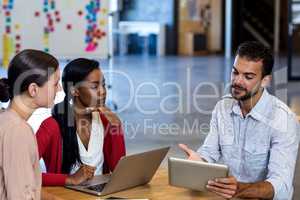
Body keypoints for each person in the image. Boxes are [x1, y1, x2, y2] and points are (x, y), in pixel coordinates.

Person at [179, 41, 299, 199]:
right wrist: (199, 161)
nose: (237, 81)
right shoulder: (223, 108)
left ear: (265, 81)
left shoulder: (283, 120)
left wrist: (240, 189)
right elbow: (210, 151)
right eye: (235, 72)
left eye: (248, 76)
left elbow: (281, 186)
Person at [36, 58, 126, 186]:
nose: (103, 91)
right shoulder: (51, 126)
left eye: (104, 85)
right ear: (75, 90)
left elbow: (119, 171)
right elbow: (24, 174)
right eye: (95, 86)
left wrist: (117, 128)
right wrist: (69, 179)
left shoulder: (106, 121)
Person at [0, 49, 61, 199]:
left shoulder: (6, 119)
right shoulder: (18, 131)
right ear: (33, 89)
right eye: (55, 84)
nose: (59, 89)